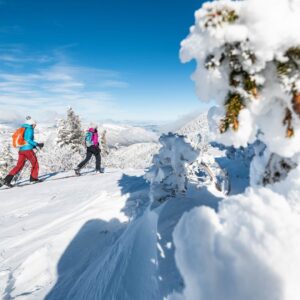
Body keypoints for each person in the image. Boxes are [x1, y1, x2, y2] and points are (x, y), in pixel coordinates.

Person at [3, 117, 44, 187]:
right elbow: (28, 139)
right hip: (28, 151)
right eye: (34, 124)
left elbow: (24, 140)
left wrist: (34, 146)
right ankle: (33, 179)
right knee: (35, 164)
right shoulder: (30, 129)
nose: (35, 125)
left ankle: (7, 180)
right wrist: (37, 144)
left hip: (21, 150)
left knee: (19, 166)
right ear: (31, 123)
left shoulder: (24, 128)